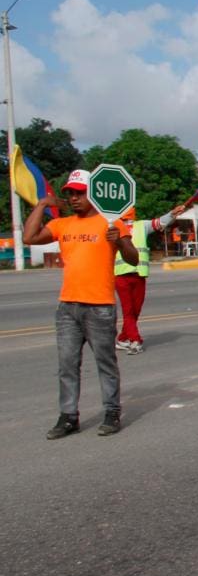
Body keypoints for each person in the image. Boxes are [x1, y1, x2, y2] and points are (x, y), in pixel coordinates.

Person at [23, 170, 139, 439]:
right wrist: (42, 205)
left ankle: (111, 412)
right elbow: (29, 238)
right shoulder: (63, 225)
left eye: (80, 192)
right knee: (67, 365)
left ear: (94, 193)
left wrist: (119, 241)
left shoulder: (111, 222)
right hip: (68, 307)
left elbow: (133, 260)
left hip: (99, 306)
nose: (74, 198)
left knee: (105, 363)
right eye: (71, 193)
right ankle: (68, 417)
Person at [115, 204, 187, 355]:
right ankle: (135, 340)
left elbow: (159, 222)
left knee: (136, 310)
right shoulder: (112, 226)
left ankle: (122, 338)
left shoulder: (141, 226)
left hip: (139, 274)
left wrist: (172, 213)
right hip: (121, 275)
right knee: (128, 311)